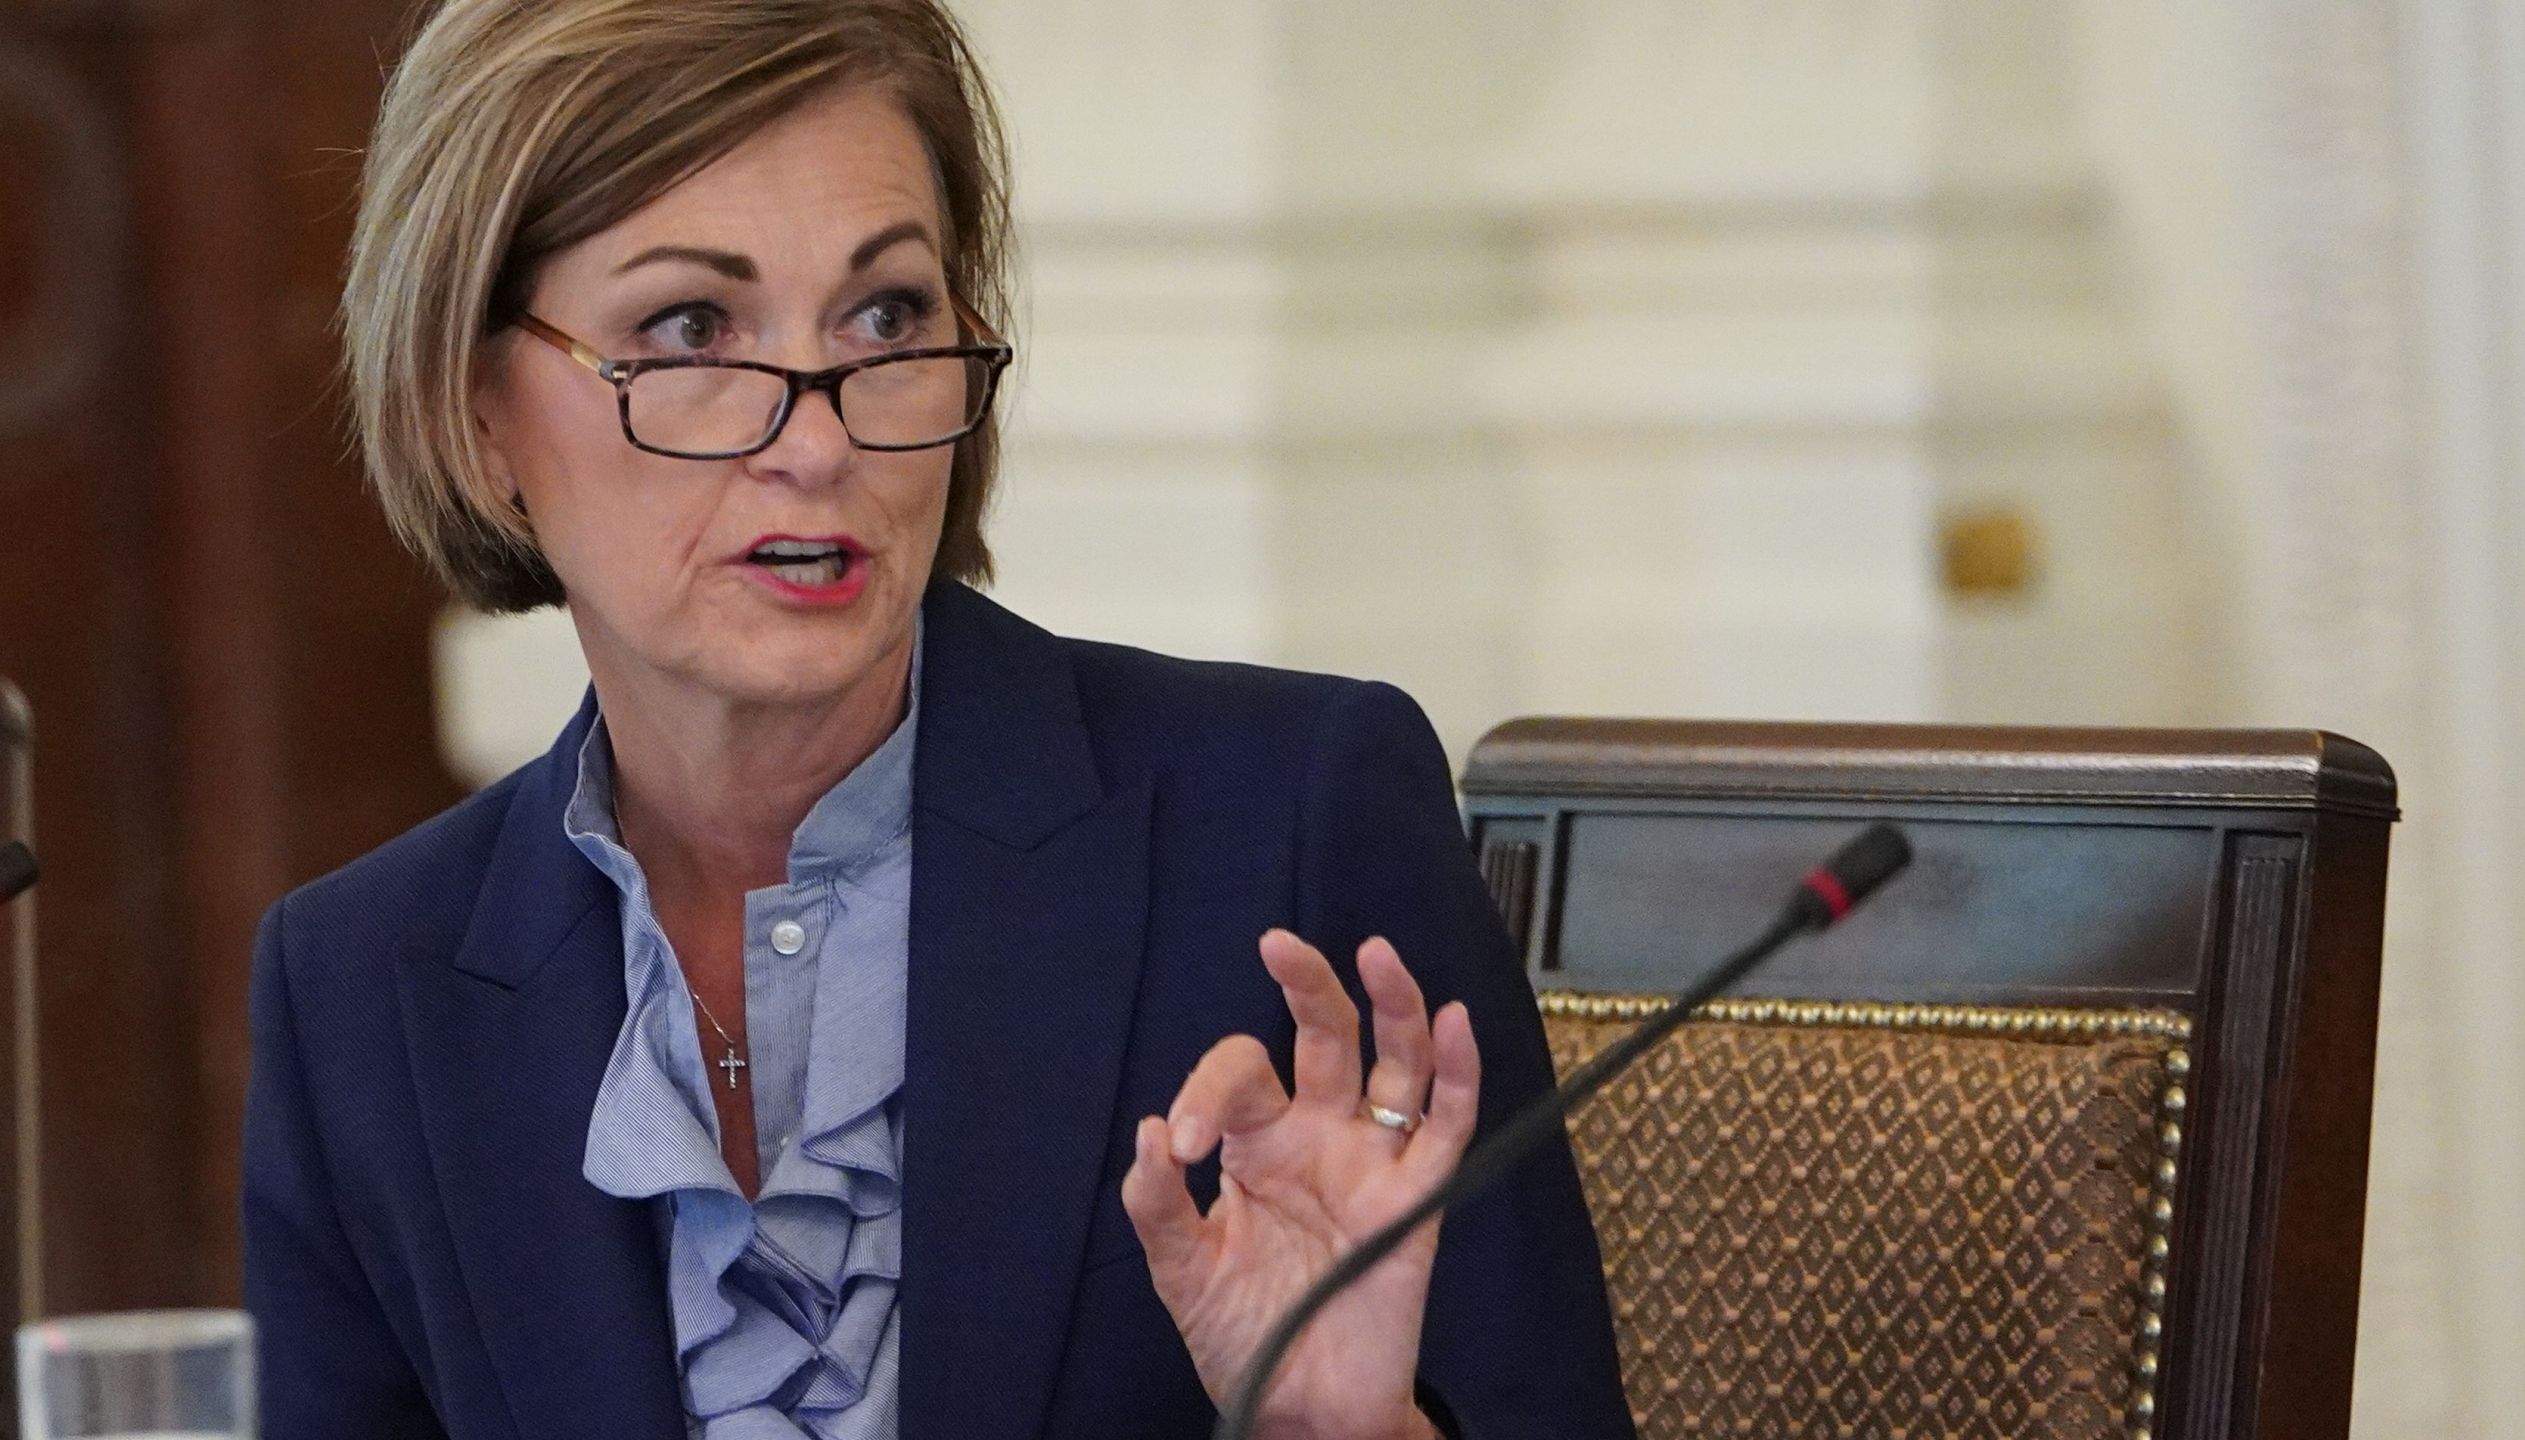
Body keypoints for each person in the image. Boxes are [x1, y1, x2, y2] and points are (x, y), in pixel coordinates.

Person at [241, 2, 1637, 1437]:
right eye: (690, 328)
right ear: (479, 414)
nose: (821, 439)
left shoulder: (1289, 824)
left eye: (886, 315)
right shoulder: (359, 989)